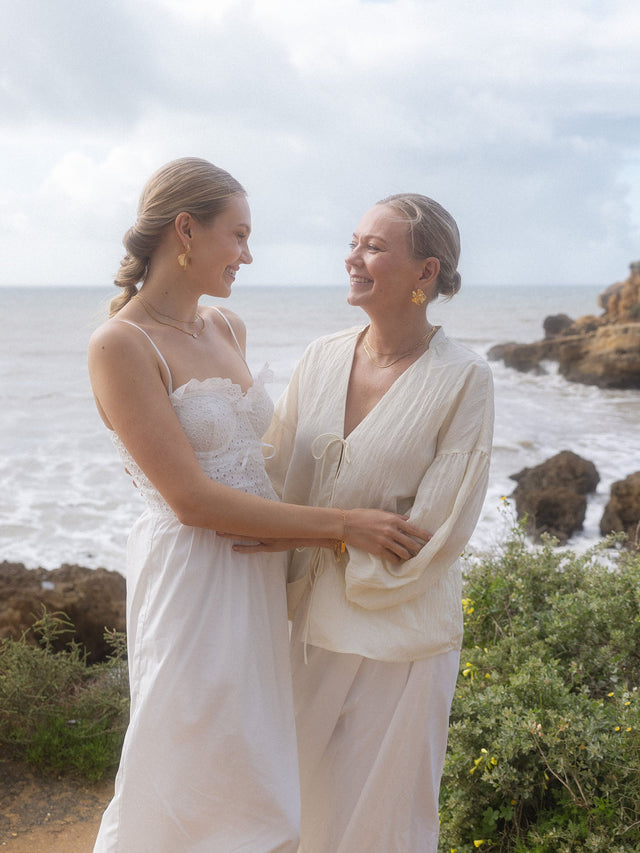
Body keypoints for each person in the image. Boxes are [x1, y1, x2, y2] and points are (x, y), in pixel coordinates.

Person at [88, 159, 430, 853]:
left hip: (259, 576)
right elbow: (189, 498)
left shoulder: (227, 327)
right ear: (185, 229)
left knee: (258, 775)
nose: (248, 254)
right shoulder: (121, 344)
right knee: (185, 767)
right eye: (237, 235)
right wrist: (344, 527)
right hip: (191, 581)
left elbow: (268, 461)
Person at [242, 193, 494, 852]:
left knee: (382, 826)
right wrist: (342, 527)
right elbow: (269, 483)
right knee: (288, 812)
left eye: (374, 246)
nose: (353, 257)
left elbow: (435, 527)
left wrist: (314, 531)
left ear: (425, 273)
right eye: (355, 241)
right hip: (304, 624)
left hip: (403, 634)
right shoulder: (321, 357)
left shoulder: (465, 379)